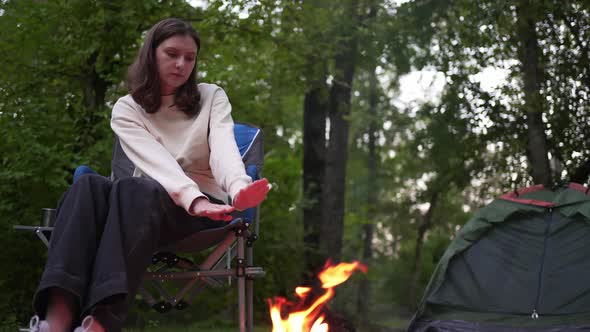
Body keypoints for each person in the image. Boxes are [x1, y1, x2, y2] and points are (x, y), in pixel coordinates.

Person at [24, 18, 270, 332]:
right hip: (140, 210)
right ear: (151, 54)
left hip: (203, 212)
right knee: (89, 185)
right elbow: (156, 162)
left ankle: (98, 325)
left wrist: (236, 188)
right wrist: (189, 197)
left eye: (190, 58)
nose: (182, 64)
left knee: (134, 189)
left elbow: (223, 147)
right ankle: (54, 322)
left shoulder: (211, 97)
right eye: (172, 54)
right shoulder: (127, 108)